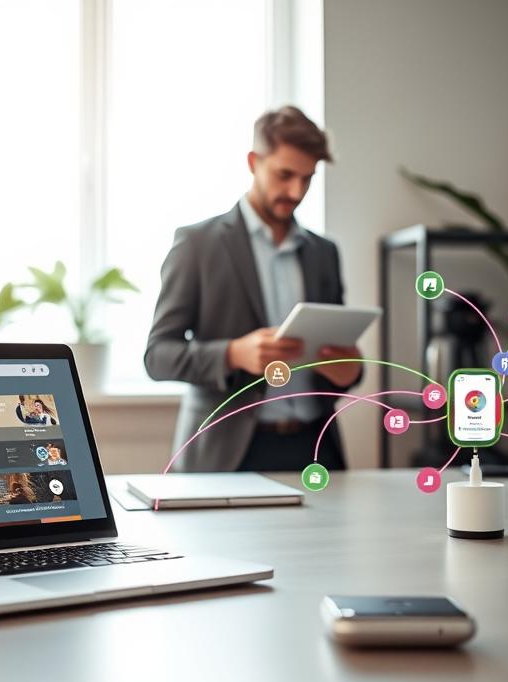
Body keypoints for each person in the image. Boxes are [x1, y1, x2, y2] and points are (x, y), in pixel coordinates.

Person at [144, 106, 362, 473]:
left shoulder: (324, 253)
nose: (296, 191)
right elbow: (158, 356)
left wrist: (350, 371)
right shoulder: (197, 244)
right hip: (227, 455)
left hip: (317, 450)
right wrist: (233, 354)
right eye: (284, 174)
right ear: (253, 162)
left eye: (307, 179)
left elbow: (343, 361)